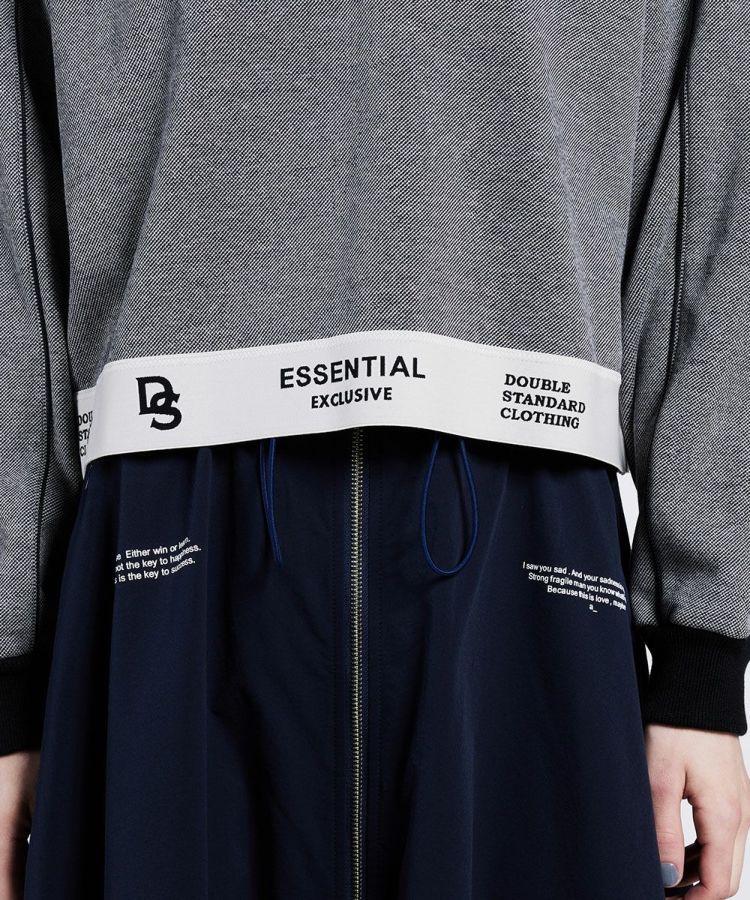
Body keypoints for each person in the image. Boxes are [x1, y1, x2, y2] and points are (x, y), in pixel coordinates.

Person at [1, 1, 749, 898]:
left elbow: (722, 127)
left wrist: (701, 656)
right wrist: (9, 676)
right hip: (168, 512)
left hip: (528, 503)